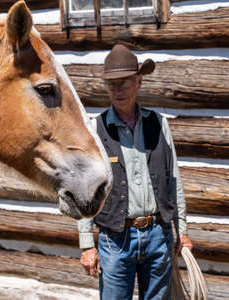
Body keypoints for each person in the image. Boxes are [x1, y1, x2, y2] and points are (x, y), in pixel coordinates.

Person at [77, 44, 193, 300]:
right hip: (115, 239)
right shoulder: (95, 130)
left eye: (124, 83)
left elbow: (173, 180)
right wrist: (87, 244)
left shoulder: (158, 123)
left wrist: (181, 229)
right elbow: (85, 190)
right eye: (112, 84)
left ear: (139, 82)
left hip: (158, 234)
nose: (117, 90)